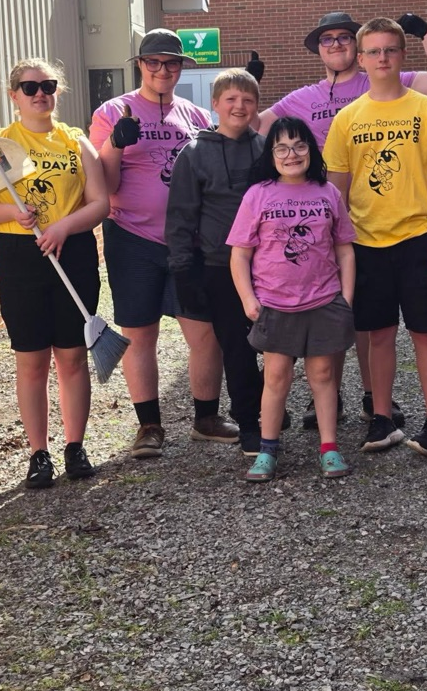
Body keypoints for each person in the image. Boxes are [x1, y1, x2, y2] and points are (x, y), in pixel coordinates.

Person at [258, 11, 427, 431]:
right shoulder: (311, 101)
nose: (336, 45)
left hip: (413, 232)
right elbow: (255, 128)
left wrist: (423, 31)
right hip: (351, 229)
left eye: (345, 38)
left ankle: (402, 409)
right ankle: (337, 400)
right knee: (348, 318)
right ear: (319, 49)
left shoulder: (408, 92)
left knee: (406, 329)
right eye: (326, 39)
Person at [89, 29, 237, 459]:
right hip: (132, 237)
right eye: (153, 62)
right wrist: (116, 144)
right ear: (140, 65)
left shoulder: (194, 116)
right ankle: (149, 426)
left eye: (171, 63)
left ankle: (206, 418)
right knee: (138, 333)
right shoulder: (112, 111)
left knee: (204, 332)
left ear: (181, 68)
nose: (162, 70)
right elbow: (106, 184)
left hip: (188, 241)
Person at [0, 58, 109, 488]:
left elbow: (99, 203)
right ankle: (38, 454)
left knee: (72, 355)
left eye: (47, 85)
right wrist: (12, 210)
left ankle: (74, 447)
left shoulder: (75, 142)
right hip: (20, 255)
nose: (39, 93)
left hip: (73, 251)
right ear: (14, 95)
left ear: (57, 92)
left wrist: (65, 224)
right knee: (31, 361)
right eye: (29, 88)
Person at [324, 16, 427, 456]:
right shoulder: (348, 118)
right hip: (366, 242)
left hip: (419, 237)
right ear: (361, 60)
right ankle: (382, 420)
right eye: (374, 51)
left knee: (424, 331)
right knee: (378, 333)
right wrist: (334, 245)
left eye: (390, 50)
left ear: (402, 56)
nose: (382, 58)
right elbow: (337, 188)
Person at [228, 117, 356, 481]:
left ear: (311, 151)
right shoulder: (258, 194)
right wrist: (248, 300)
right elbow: (239, 254)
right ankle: (268, 450)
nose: (291, 154)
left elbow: (345, 249)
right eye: (281, 147)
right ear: (270, 154)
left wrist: (344, 298)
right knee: (276, 377)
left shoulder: (327, 192)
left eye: (299, 146)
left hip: (323, 301)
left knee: (323, 374)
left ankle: (329, 448)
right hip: (275, 303)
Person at [165, 68, 266, 456]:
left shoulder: (265, 149)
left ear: (256, 106)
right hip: (219, 266)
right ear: (216, 104)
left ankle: (267, 407)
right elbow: (180, 217)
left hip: (269, 266)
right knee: (237, 348)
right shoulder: (194, 154)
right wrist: (183, 269)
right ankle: (249, 423)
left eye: (248, 100)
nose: (239, 106)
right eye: (231, 99)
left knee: (274, 347)